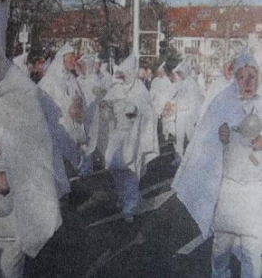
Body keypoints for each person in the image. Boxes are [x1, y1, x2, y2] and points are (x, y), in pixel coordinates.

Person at [0, 1, 64, 278]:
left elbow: (36, 148)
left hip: (11, 193)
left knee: (9, 266)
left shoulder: (22, 93)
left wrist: (11, 174)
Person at [172, 50, 262, 278]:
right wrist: (219, 135)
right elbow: (207, 138)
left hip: (254, 188)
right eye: (242, 76)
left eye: (252, 76)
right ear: (235, 79)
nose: (248, 82)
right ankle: (220, 274)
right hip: (229, 187)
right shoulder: (223, 101)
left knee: (253, 248)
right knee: (222, 243)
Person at [102, 54, 159, 222]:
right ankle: (122, 196)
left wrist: (136, 111)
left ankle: (130, 206)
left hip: (134, 135)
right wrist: (105, 105)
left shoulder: (140, 89)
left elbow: (148, 112)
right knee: (114, 166)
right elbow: (107, 103)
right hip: (118, 134)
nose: (123, 77)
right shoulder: (117, 88)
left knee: (131, 169)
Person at [39, 42, 86, 173]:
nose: (73, 61)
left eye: (74, 58)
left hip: (72, 131)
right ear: (62, 59)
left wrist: (78, 104)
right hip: (58, 131)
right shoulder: (49, 81)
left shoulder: (72, 79)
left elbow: (81, 100)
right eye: (70, 58)